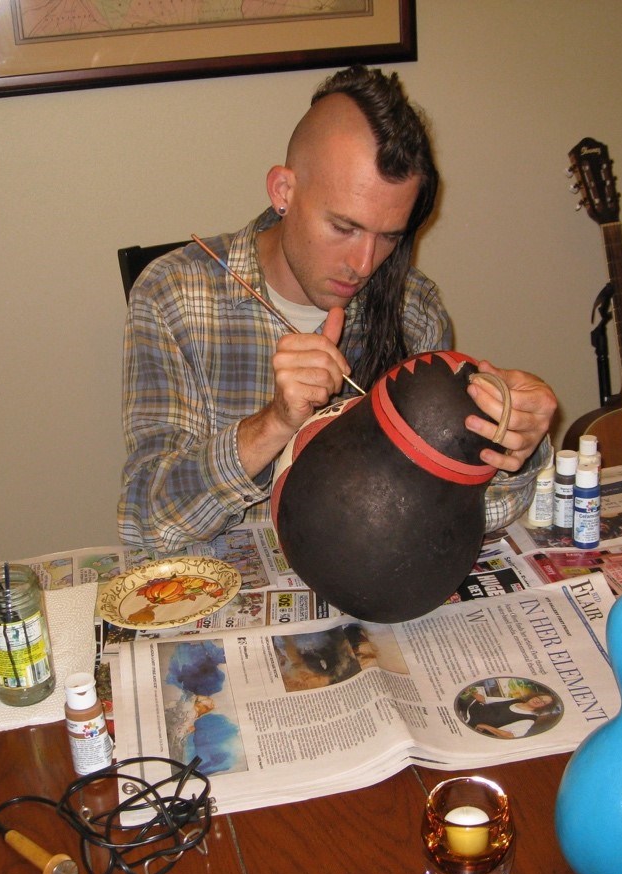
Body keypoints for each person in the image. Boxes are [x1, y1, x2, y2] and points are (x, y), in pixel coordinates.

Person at [119, 65, 557, 553]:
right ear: (284, 191)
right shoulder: (174, 294)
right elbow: (147, 523)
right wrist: (276, 423)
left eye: (389, 235)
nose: (363, 264)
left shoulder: (414, 308)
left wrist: (517, 444)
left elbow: (461, 517)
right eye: (344, 227)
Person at [460, 689, 560, 739]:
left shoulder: (528, 720)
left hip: (469, 721)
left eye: (543, 702)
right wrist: (470, 691)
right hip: (470, 707)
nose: (539, 701)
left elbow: (510, 736)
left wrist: (486, 726)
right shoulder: (516, 700)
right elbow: (485, 699)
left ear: (544, 707)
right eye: (540, 698)